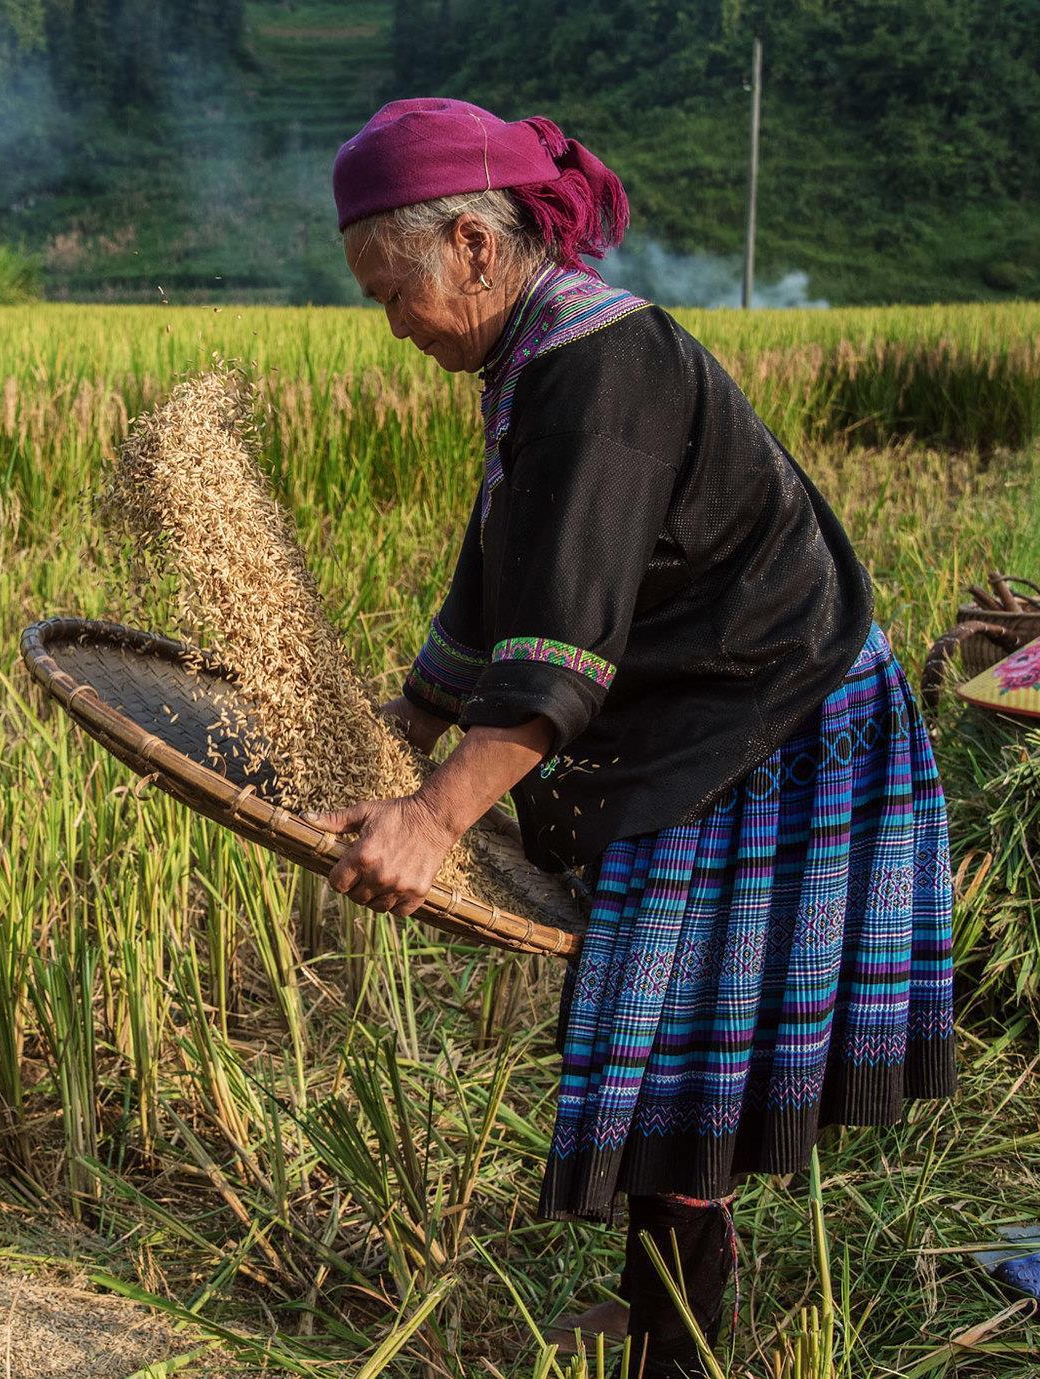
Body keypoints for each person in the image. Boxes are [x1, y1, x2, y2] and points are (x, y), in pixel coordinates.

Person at [308, 98, 955, 1377]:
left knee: (673, 1041)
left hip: (772, 715)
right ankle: (663, 1304)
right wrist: (399, 727)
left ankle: (682, 1340)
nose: (392, 324)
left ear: (474, 246)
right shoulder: (533, 358)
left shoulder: (596, 368)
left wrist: (435, 816)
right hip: (711, 708)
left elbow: (562, 647)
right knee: (654, 1032)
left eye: (395, 292)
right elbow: (499, 574)